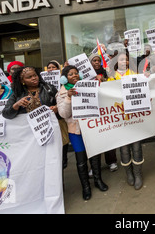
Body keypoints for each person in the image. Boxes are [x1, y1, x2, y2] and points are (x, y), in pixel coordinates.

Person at [56, 65, 108, 200]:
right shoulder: (61, 93)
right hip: (76, 131)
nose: (74, 76)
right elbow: (63, 114)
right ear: (64, 78)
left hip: (91, 128)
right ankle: (86, 187)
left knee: (95, 156)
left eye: (76, 73)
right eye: (70, 74)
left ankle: (98, 181)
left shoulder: (87, 87)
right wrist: (68, 97)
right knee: (81, 161)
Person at [107, 52, 144, 189]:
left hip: (134, 117)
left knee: (137, 147)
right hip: (120, 118)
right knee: (124, 149)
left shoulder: (135, 74)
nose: (124, 62)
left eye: (126, 60)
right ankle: (129, 173)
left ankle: (138, 173)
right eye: (121, 59)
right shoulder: (110, 77)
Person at [89, 53, 118, 172]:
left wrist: (104, 80)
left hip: (106, 109)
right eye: (94, 60)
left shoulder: (106, 72)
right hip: (92, 110)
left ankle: (111, 161)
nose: (96, 62)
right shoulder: (84, 76)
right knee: (94, 138)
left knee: (108, 135)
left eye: (98, 60)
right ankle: (94, 166)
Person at [45, 60, 70, 169]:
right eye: (49, 67)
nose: (51, 69)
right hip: (49, 116)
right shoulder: (45, 84)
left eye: (53, 67)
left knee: (63, 139)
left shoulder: (63, 81)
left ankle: (64, 159)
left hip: (61, 114)